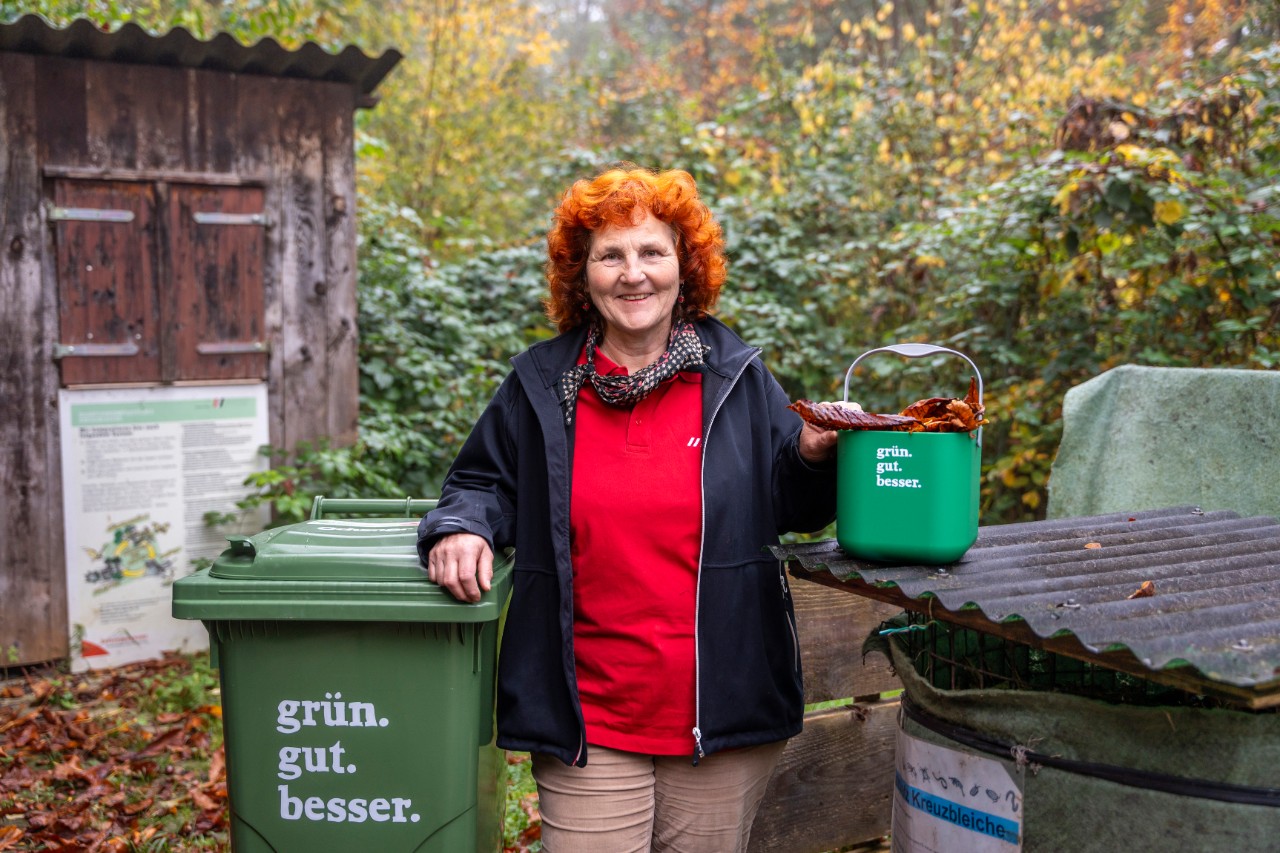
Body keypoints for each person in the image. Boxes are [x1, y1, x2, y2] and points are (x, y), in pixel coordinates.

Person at [418, 165, 838, 853]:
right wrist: (461, 526)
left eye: (651, 251)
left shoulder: (737, 378)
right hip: (588, 713)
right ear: (581, 274)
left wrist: (815, 456)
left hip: (719, 711)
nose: (632, 273)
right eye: (610, 254)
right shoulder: (540, 384)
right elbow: (481, 481)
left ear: (685, 266)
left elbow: (789, 501)